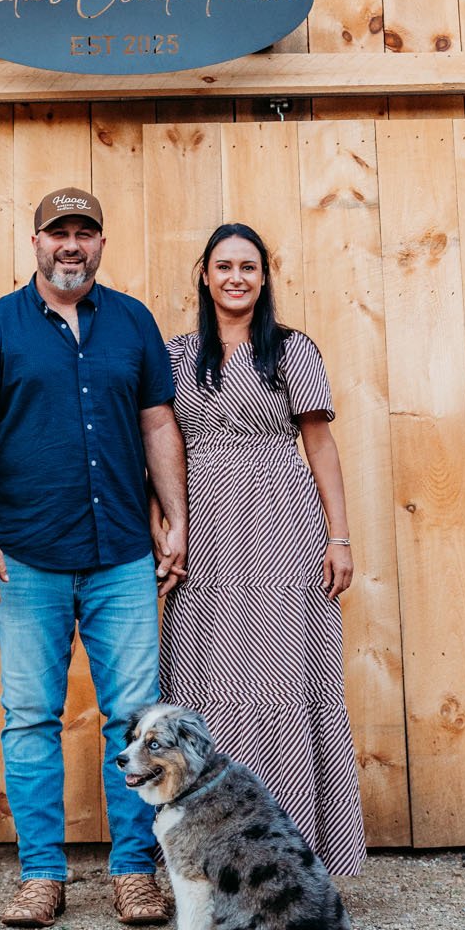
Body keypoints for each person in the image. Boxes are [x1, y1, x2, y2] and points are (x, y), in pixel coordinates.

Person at [0, 186, 188, 928]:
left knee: (135, 723)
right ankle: (41, 874)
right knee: (28, 718)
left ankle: (133, 873)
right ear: (36, 242)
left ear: (101, 243)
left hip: (120, 555)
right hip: (26, 557)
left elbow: (156, 423)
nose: (70, 245)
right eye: (58, 233)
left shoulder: (132, 322)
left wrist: (174, 518)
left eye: (84, 233)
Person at [155, 222, 366, 878]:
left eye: (248, 267)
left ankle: (289, 854)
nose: (236, 278)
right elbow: (156, 445)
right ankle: (205, 862)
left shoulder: (291, 350)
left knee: (279, 681)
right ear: (204, 275)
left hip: (279, 525)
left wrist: (337, 535)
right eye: (223, 266)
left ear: (264, 277)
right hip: (203, 532)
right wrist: (164, 524)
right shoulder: (174, 355)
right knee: (204, 680)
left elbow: (319, 444)